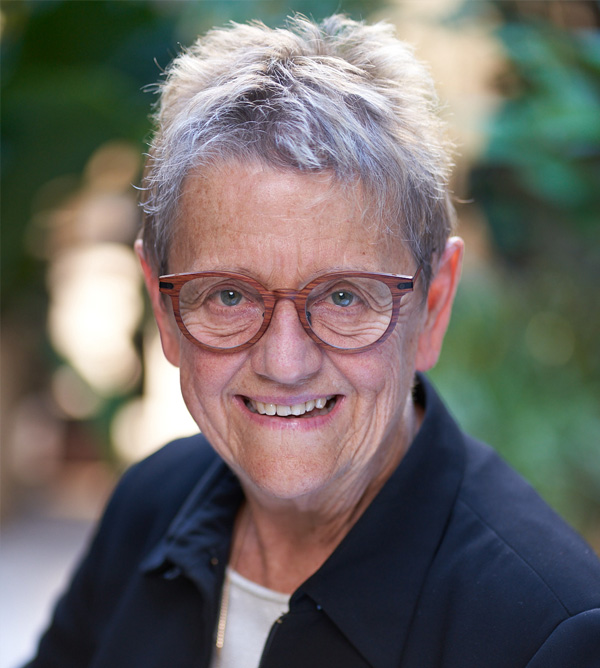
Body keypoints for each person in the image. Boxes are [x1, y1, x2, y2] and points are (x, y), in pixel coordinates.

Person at [27, 14, 600, 668]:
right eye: (230, 295)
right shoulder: (148, 507)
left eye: (344, 296)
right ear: (163, 309)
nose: (285, 362)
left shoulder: (551, 631)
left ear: (434, 306)